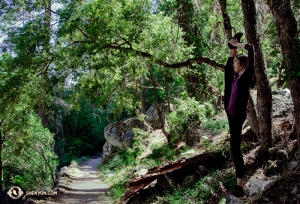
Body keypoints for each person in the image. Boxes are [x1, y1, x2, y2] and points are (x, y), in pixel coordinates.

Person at [224, 36, 255, 197]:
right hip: (230, 111)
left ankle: (240, 186)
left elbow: (251, 48)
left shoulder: (247, 75)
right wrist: (233, 48)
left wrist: (239, 45)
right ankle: (239, 185)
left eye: (236, 62)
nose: (235, 64)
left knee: (235, 149)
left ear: (242, 64)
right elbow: (229, 70)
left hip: (237, 116)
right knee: (234, 148)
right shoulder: (237, 79)